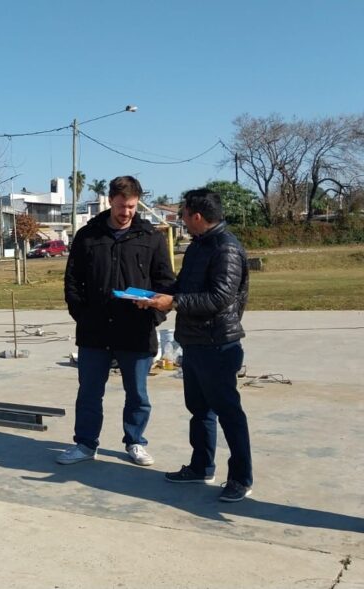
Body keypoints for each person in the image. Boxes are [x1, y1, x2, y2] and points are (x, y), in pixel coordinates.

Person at [137, 188, 253, 502]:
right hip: (195, 342)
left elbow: (219, 298)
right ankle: (201, 466)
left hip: (219, 344)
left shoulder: (226, 248)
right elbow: (184, 286)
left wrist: (173, 301)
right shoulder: (199, 245)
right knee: (199, 410)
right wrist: (154, 297)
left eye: (184, 215)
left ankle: (241, 477)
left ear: (196, 216)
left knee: (229, 413)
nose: (182, 221)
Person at [58, 175, 176, 467]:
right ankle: (85, 444)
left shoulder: (151, 238)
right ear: (110, 201)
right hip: (94, 331)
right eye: (122, 206)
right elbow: (72, 281)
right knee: (88, 393)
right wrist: (82, 316)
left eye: (132, 207)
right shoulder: (88, 235)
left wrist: (154, 315)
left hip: (136, 331)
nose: (126, 213)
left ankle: (135, 441)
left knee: (137, 393)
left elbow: (167, 285)